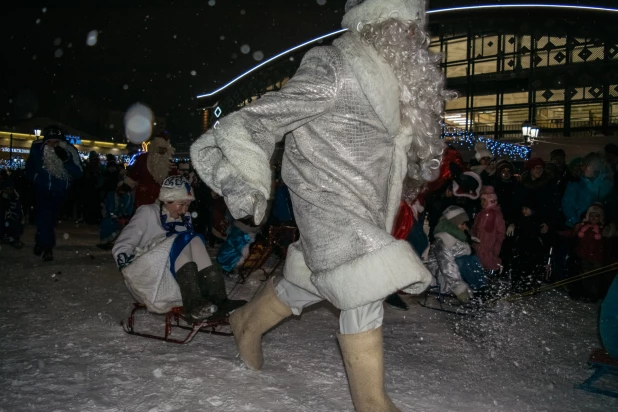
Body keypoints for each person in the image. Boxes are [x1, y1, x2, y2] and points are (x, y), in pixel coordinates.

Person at [190, 1, 449, 410]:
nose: (415, 34)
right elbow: (262, 118)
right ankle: (371, 402)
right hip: (326, 201)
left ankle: (247, 323)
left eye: (418, 25)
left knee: (310, 277)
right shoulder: (333, 65)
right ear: (376, 22)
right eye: (405, 23)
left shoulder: (396, 85)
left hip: (365, 206)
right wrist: (246, 176)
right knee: (363, 279)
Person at [112, 176, 245, 321]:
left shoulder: (184, 218)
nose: (184, 210)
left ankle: (218, 299)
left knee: (194, 238)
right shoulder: (148, 212)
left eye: (187, 205)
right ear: (166, 200)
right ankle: (192, 304)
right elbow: (123, 244)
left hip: (175, 278)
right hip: (150, 278)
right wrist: (124, 261)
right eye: (181, 204)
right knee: (183, 238)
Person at [25, 125, 83, 261]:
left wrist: (67, 160)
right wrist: (33, 178)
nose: (52, 145)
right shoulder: (37, 148)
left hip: (60, 191)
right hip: (42, 188)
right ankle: (46, 247)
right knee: (43, 217)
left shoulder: (70, 150)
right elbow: (30, 166)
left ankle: (41, 242)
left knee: (48, 219)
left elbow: (79, 173)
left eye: (56, 142)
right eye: (49, 142)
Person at [426, 206, 485, 303]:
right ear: (453, 223)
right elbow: (447, 267)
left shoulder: (458, 235)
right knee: (463, 261)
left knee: (471, 259)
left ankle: (481, 288)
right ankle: (478, 290)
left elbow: (464, 253)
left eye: (465, 224)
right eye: (461, 224)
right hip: (443, 275)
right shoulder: (442, 240)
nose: (464, 227)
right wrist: (459, 289)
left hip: (456, 271)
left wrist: (468, 238)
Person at [128, 134, 175, 211]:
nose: (162, 152)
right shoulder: (143, 159)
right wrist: (125, 187)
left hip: (161, 199)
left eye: (164, 149)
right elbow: (133, 176)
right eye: (160, 149)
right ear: (155, 148)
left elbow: (173, 179)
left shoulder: (168, 163)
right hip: (143, 197)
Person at [506, 201, 546, 291]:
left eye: (526, 209)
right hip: (522, 248)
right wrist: (513, 225)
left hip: (533, 249)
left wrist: (514, 225)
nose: (524, 211)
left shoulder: (537, 220)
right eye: (523, 209)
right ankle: (519, 286)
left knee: (532, 268)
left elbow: (532, 230)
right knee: (519, 267)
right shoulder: (521, 219)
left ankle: (530, 287)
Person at [472, 186, 505, 272]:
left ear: (490, 200)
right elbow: (474, 228)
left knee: (490, 268)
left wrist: (496, 249)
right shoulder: (480, 214)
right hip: (479, 247)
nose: (482, 202)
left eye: (484, 200)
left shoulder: (496, 214)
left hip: (490, 249)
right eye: (481, 200)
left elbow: (501, 233)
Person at [97, 178, 136, 250]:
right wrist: (113, 215)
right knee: (107, 225)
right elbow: (109, 206)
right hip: (110, 217)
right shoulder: (112, 194)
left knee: (120, 228)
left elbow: (129, 207)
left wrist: (126, 215)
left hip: (121, 217)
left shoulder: (128, 197)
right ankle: (104, 241)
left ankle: (112, 240)